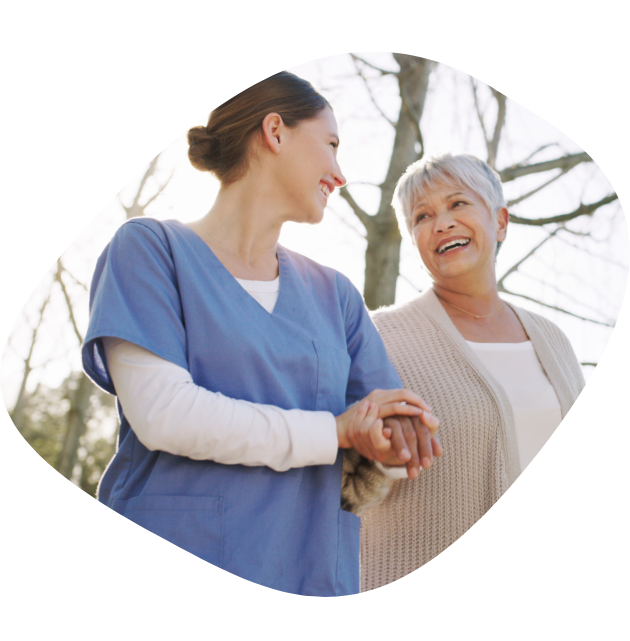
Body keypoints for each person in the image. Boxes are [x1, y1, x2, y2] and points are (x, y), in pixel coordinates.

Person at [82, 71, 441, 597]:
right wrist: (335, 433)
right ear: (275, 131)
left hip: (309, 579)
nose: (340, 174)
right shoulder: (150, 251)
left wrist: (395, 438)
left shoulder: (336, 296)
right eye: (332, 145)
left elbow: (375, 442)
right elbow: (164, 415)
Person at [341, 153, 586, 591]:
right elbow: (341, 486)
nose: (442, 223)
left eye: (458, 204)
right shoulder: (377, 338)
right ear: (412, 240)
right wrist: (379, 455)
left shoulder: (555, 340)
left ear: (501, 222)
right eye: (422, 215)